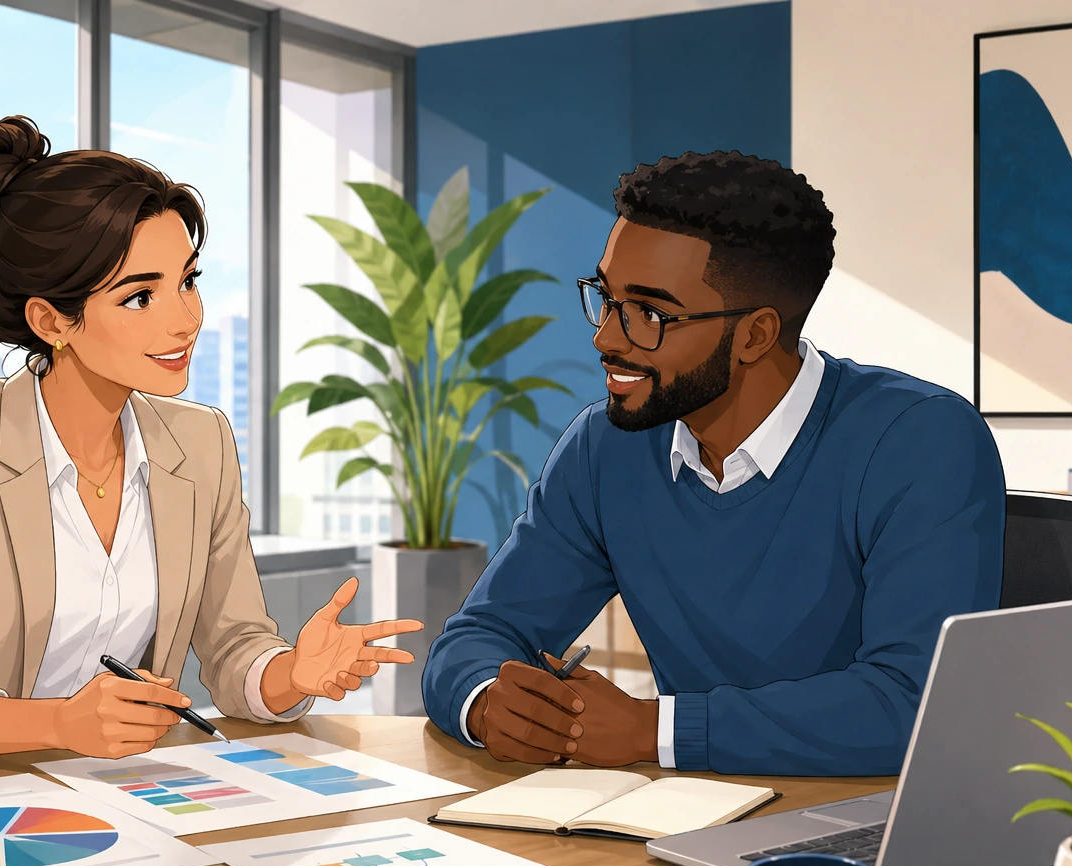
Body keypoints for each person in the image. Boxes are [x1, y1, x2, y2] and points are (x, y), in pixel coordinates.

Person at [0, 115, 421, 765]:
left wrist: (293, 675)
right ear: (50, 319)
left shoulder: (200, 443)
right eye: (141, 297)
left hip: (126, 793)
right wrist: (58, 724)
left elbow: (234, 649)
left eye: (188, 281)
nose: (186, 320)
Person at [420, 150, 1005, 776]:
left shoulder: (919, 439)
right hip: (682, 812)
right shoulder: (605, 446)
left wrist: (654, 730)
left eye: (650, 314)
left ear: (754, 335)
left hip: (863, 830)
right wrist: (488, 702)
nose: (606, 338)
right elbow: (480, 634)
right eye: (607, 297)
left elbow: (912, 703)